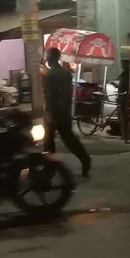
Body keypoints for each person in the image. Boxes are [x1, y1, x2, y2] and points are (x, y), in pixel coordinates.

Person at [44, 47, 91, 178]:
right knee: (69, 140)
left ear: (50, 58)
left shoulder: (50, 75)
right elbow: (65, 94)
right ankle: (85, 159)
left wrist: (49, 112)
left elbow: (50, 96)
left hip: (53, 112)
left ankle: (50, 170)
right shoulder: (66, 73)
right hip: (64, 112)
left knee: (48, 143)